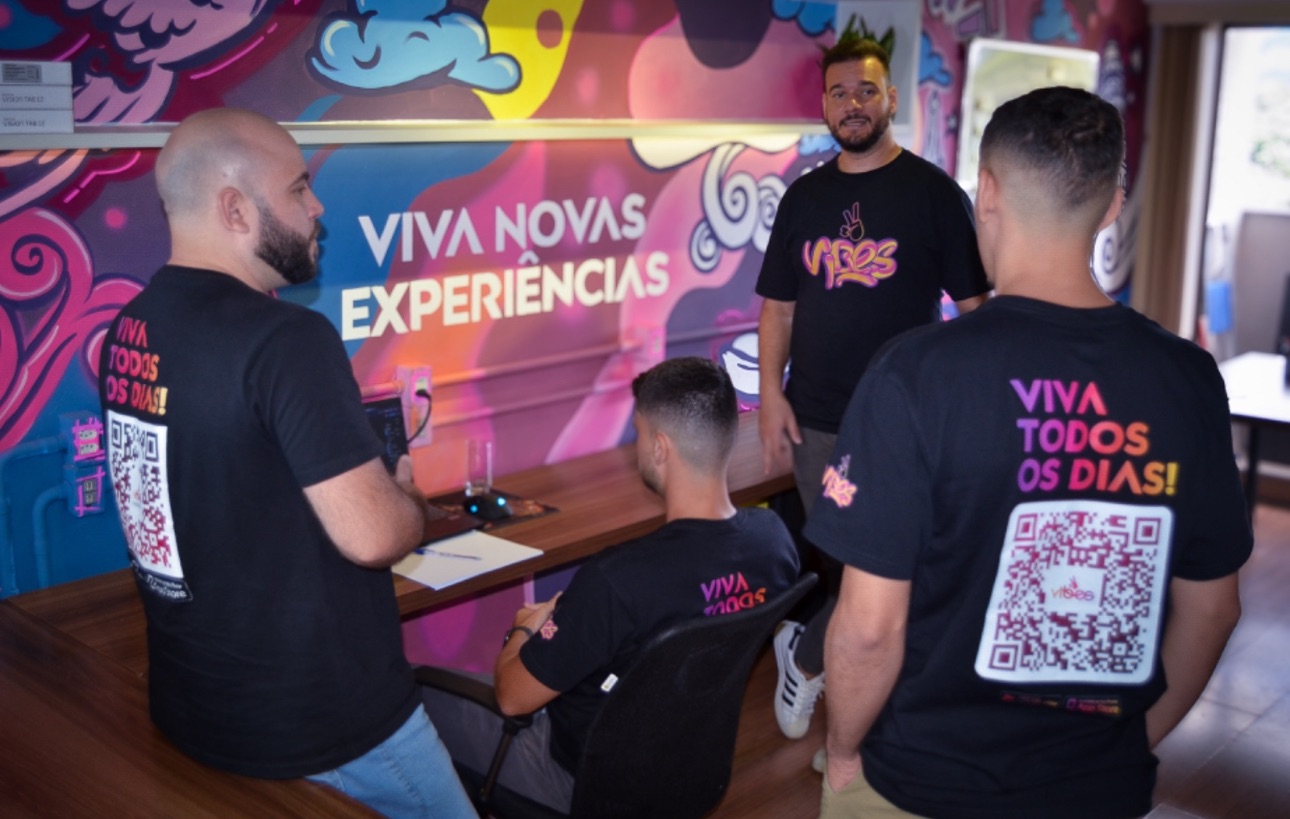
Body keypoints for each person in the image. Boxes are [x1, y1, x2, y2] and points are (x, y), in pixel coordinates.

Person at [808, 86, 1252, 819]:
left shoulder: (913, 373)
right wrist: (1130, 740)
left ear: (985, 192)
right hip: (1099, 785)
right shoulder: (1189, 377)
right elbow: (1214, 609)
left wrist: (844, 745)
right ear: (1113, 205)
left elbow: (867, 628)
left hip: (922, 781)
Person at [98, 108, 475, 818]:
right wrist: (409, 500)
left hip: (198, 713)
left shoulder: (131, 329)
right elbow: (374, 538)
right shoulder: (287, 340)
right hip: (328, 728)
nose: (318, 207)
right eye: (300, 188)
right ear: (234, 209)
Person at [422, 356, 801, 813]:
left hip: (579, 781)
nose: (636, 448)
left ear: (659, 447)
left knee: (415, 700)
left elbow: (513, 699)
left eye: (638, 434)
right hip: (692, 767)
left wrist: (523, 628)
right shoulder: (774, 542)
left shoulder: (618, 579)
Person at [755, 29, 991, 741]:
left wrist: (969, 404)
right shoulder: (804, 197)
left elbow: (976, 312)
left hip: (907, 424)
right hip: (817, 420)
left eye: (866, 91)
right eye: (839, 93)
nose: (852, 104)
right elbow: (778, 307)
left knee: (896, 572)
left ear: (891, 98)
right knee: (849, 574)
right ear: (824, 106)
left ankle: (806, 658)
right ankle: (849, 718)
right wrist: (771, 394)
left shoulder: (934, 195)